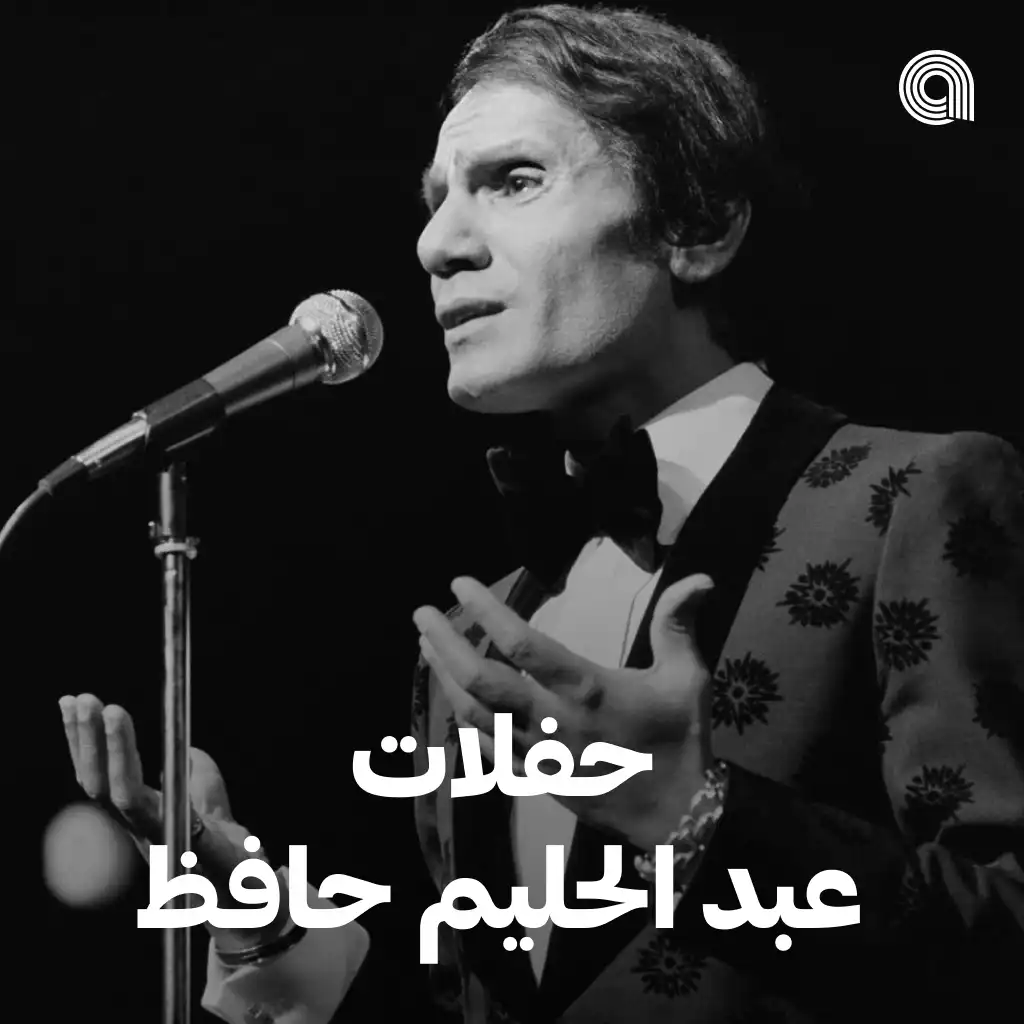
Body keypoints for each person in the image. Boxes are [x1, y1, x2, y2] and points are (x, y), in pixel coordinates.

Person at [59, 6, 1023, 1023]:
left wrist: (692, 813)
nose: (436, 244)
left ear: (697, 225)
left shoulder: (917, 496)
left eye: (514, 180)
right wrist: (258, 919)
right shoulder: (474, 640)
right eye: (435, 201)